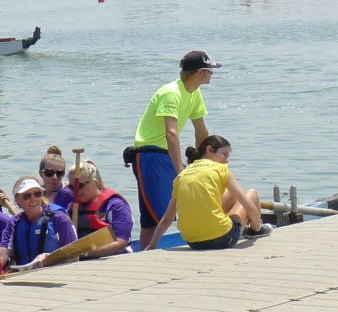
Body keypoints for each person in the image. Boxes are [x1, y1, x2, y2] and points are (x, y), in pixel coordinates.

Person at [130, 50, 219, 237]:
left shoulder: (194, 93)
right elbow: (171, 133)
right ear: (199, 72)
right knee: (154, 214)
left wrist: (205, 163)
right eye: (210, 70)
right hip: (150, 153)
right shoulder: (171, 93)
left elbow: (201, 130)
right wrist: (180, 170)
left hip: (167, 154)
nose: (212, 74)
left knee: (178, 206)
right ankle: (147, 255)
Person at [144, 135, 272, 251]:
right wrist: (255, 225)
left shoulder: (182, 175)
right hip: (222, 238)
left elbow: (167, 218)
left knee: (228, 192)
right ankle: (257, 230)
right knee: (251, 193)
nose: (227, 160)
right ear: (210, 150)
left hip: (192, 241)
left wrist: (152, 244)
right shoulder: (221, 169)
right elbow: (248, 205)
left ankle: (216, 223)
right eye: (224, 154)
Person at [1, 176, 78, 272]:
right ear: (17, 199)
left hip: (55, 273)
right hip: (22, 277)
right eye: (27, 196)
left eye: (37, 194)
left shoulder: (59, 218)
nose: (33, 199)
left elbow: (74, 255)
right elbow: (3, 255)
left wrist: (48, 256)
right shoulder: (14, 222)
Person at [67, 159, 134, 260]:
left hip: (114, 259)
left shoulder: (115, 205)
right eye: (72, 188)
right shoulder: (72, 207)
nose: (76, 192)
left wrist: (84, 253)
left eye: (79, 186)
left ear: (94, 182)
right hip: (81, 260)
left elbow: (121, 243)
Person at [37, 145, 72, 210]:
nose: (55, 177)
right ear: (41, 173)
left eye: (59, 173)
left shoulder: (67, 194)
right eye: (49, 173)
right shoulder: (36, 194)